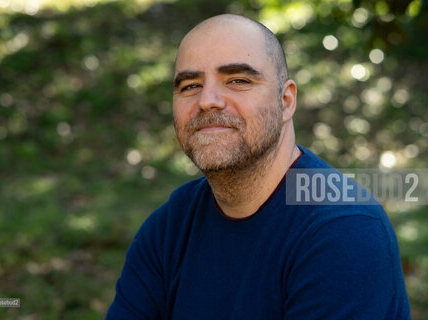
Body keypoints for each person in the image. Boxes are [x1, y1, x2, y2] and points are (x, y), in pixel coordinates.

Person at [105, 14, 411, 319]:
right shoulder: (170, 227)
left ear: (286, 101)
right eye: (190, 85)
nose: (207, 100)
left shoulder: (345, 229)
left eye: (238, 81)